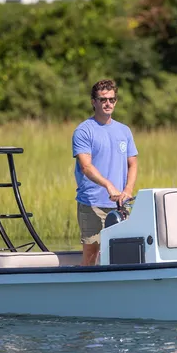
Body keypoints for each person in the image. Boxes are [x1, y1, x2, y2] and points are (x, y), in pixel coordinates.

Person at [72, 79, 138, 266]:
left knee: (123, 253)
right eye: (103, 100)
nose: (108, 103)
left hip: (120, 204)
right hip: (92, 203)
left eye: (112, 99)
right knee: (92, 254)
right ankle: (85, 291)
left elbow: (132, 163)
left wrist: (128, 189)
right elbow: (86, 166)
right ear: (93, 102)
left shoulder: (124, 130)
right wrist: (108, 185)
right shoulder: (84, 131)